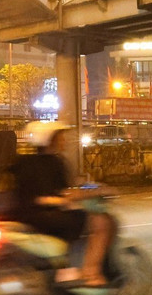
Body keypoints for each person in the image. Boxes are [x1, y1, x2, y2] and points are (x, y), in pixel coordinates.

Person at [7, 122, 115, 286]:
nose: (64, 141)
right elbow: (44, 197)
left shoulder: (31, 161)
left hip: (32, 215)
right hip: (41, 216)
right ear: (49, 140)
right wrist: (69, 200)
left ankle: (72, 267)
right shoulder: (46, 164)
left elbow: (61, 191)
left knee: (83, 217)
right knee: (101, 221)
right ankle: (91, 273)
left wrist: (83, 193)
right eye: (60, 137)